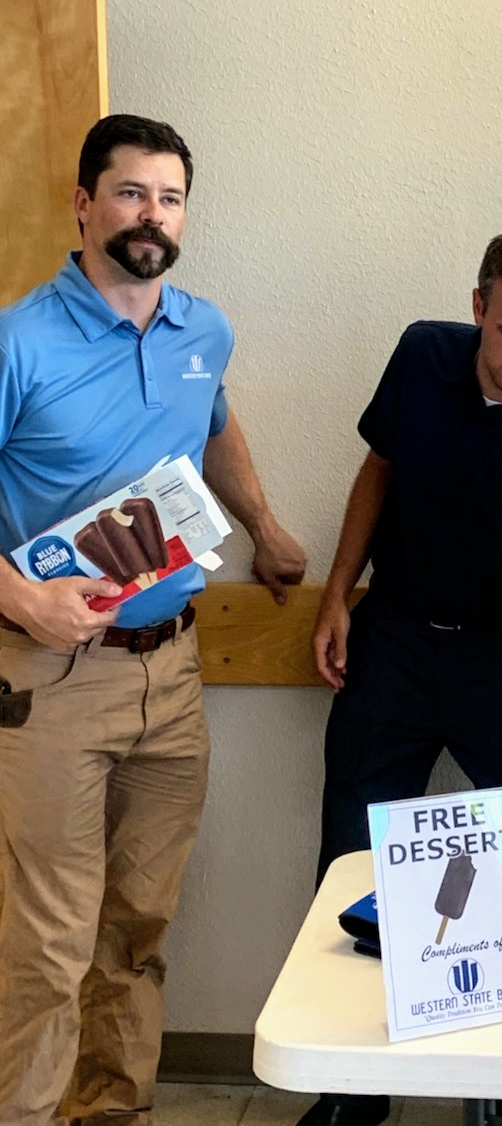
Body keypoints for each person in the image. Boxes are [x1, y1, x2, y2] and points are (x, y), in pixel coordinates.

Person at [0, 114, 306, 1126]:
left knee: (137, 926)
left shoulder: (202, 329)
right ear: (84, 203)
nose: (151, 215)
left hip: (170, 675)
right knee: (45, 946)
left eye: (169, 197)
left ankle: (114, 1111)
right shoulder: (17, 339)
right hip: (49, 677)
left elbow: (216, 425)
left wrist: (261, 523)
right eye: (131, 192)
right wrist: (21, 594)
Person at [302, 229, 502, 1126]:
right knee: (347, 868)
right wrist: (338, 597)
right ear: (479, 308)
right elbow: (379, 470)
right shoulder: (422, 353)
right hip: (396, 645)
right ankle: (351, 1095)